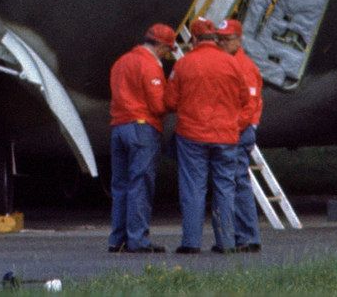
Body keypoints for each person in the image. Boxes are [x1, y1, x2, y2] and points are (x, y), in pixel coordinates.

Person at [168, 16, 245, 254]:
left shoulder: (183, 65)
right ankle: (227, 242)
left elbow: (170, 101)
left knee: (193, 188)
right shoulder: (232, 63)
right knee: (225, 187)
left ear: (193, 38)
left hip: (192, 135)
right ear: (214, 37)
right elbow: (243, 97)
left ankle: (191, 243)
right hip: (225, 135)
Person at [106, 22, 176, 254]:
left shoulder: (120, 62)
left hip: (118, 127)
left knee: (120, 186)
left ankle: (117, 239)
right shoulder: (150, 65)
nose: (167, 56)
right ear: (161, 46)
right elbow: (157, 105)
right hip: (141, 129)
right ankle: (138, 239)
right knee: (140, 184)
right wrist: (173, 101)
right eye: (168, 50)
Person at [217, 18, 264, 252]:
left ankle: (247, 236)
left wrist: (231, 129)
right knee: (234, 182)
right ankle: (243, 235)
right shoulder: (229, 62)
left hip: (238, 132)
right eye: (220, 39)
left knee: (237, 182)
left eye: (227, 39)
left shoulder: (243, 66)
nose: (222, 43)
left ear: (238, 39)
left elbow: (249, 106)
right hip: (234, 130)